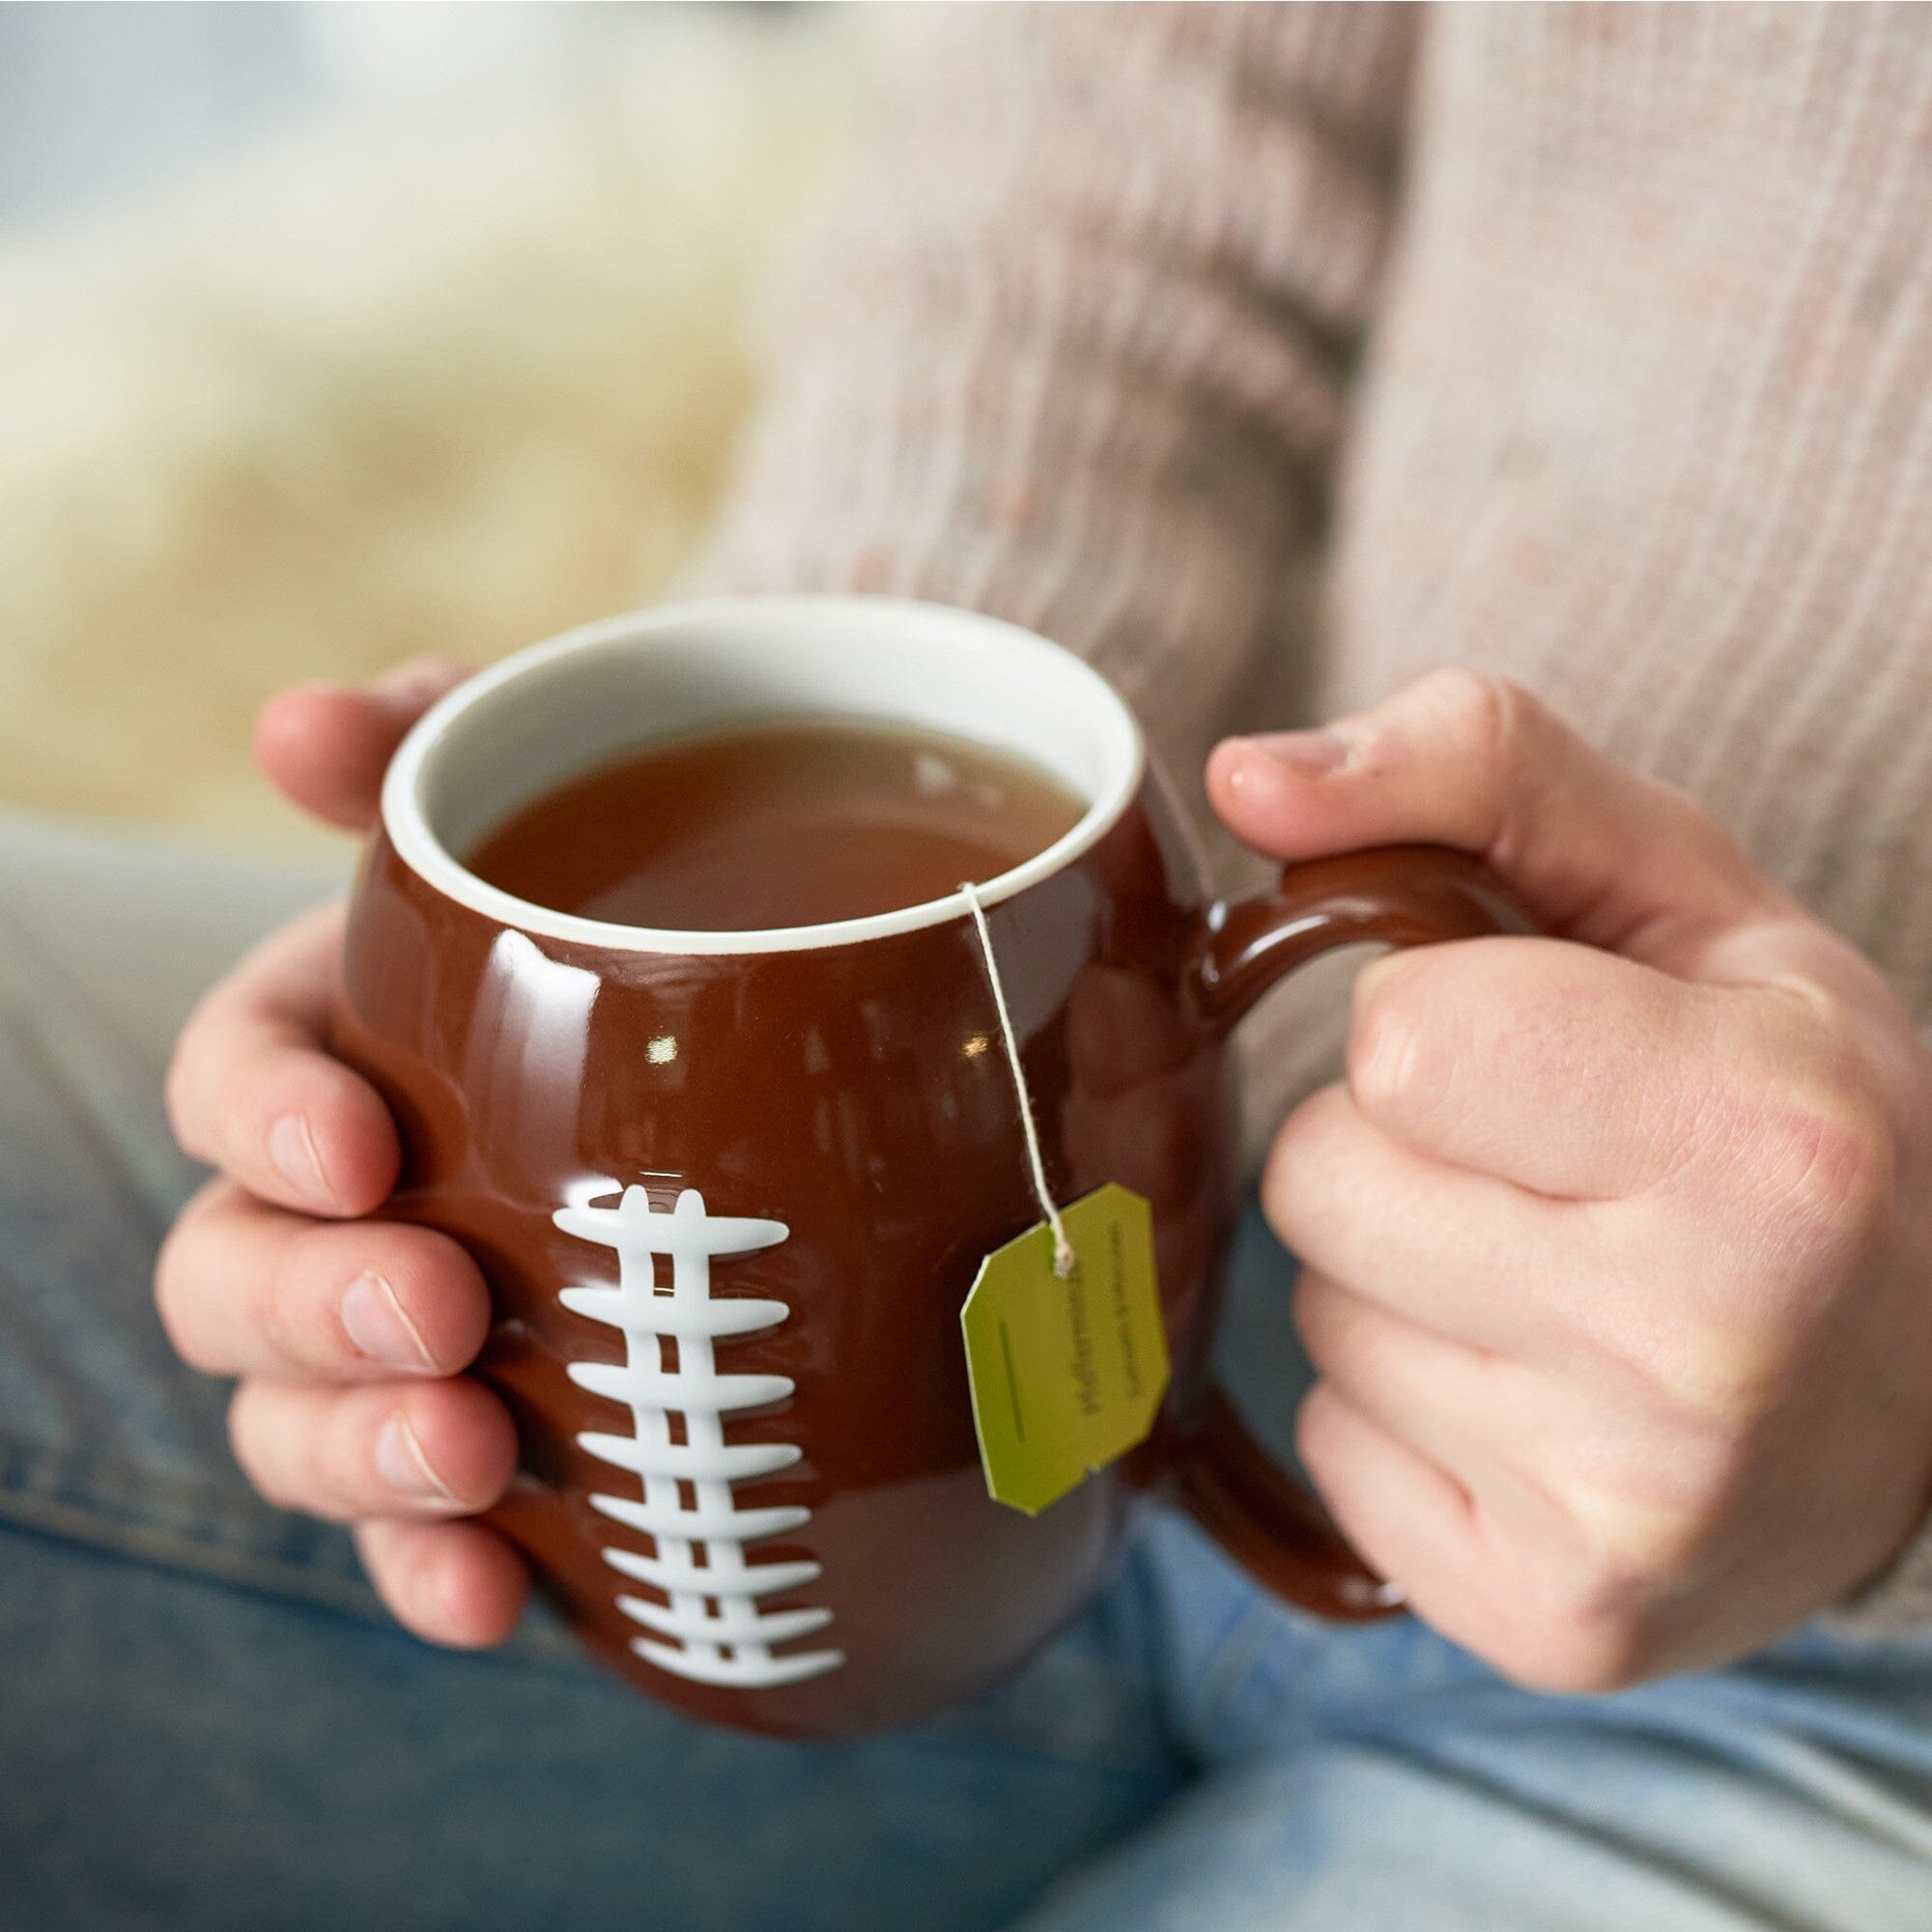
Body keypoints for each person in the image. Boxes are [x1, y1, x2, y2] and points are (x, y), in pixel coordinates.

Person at [8, 5, 1932, 1925]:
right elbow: (1135, 172)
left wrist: (1897, 1402)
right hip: (1124, 1146)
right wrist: (847, 743)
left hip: (1844, 1656)